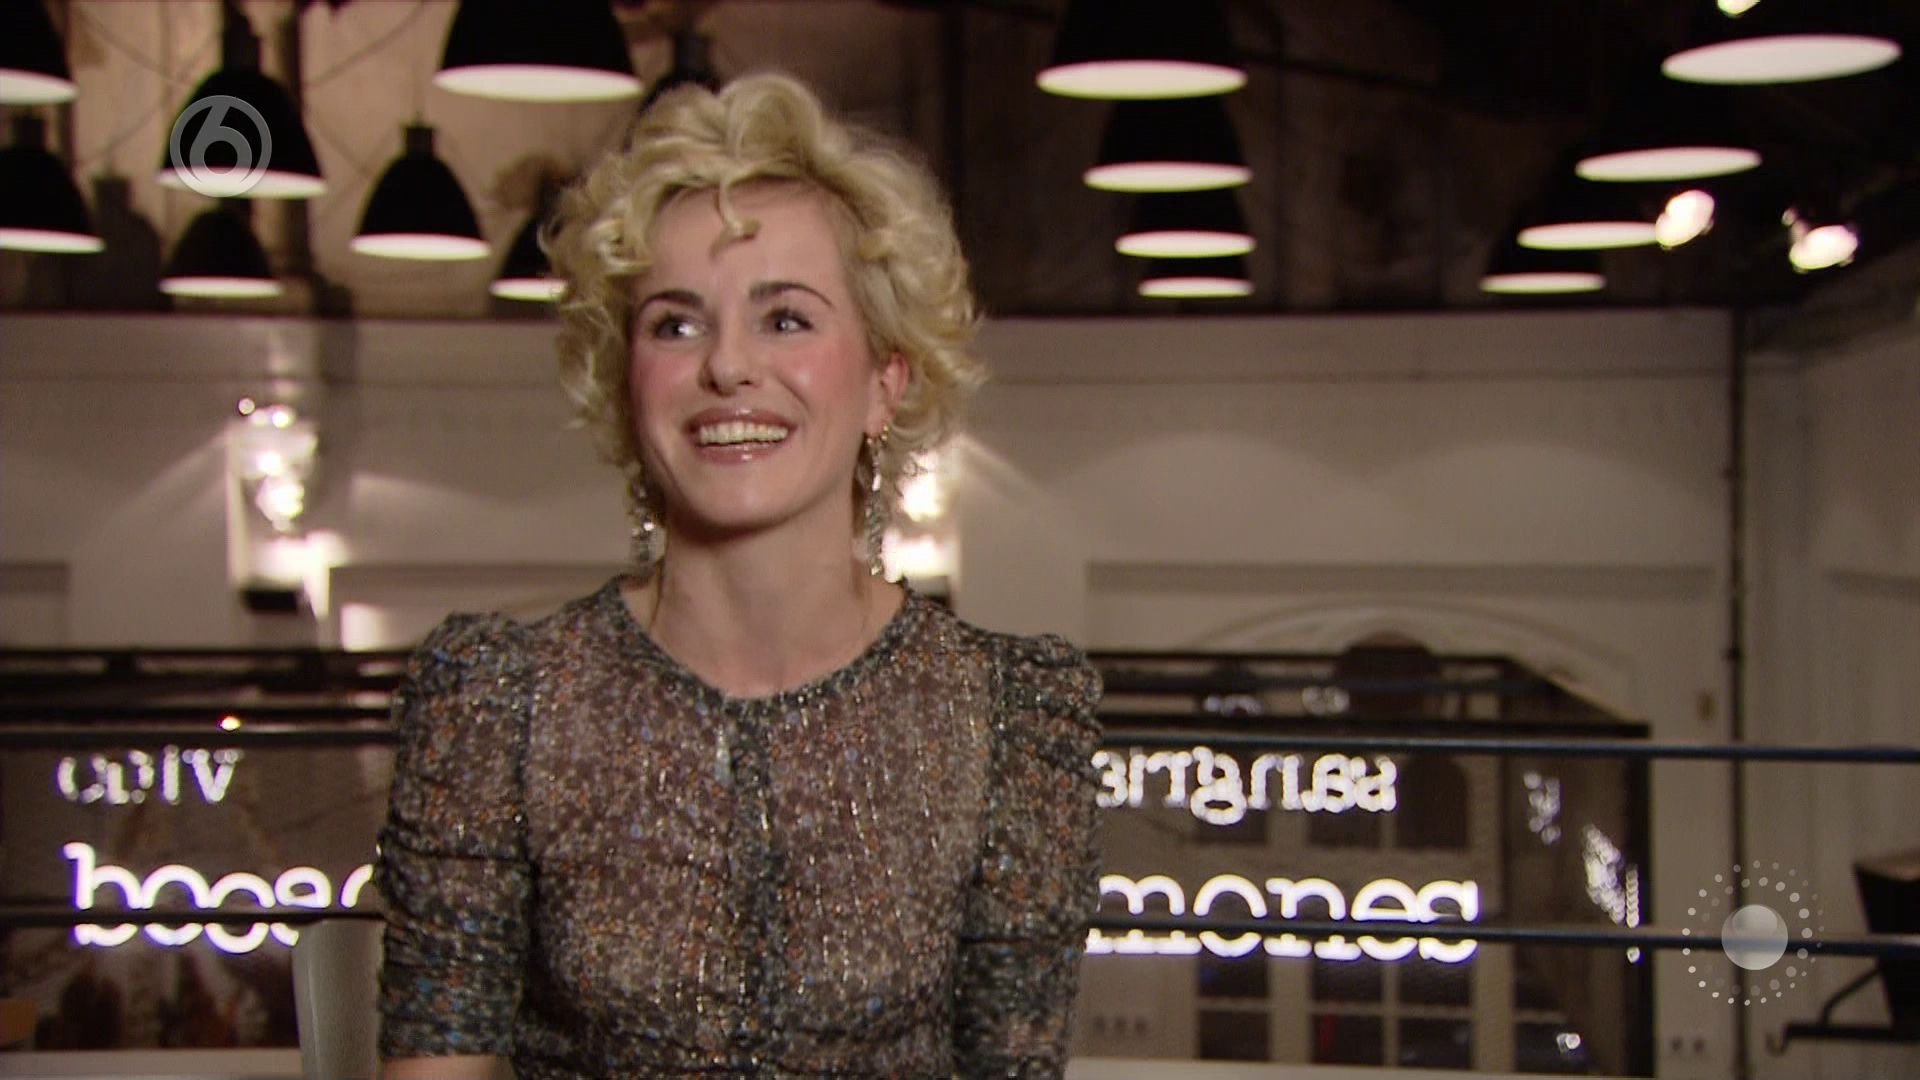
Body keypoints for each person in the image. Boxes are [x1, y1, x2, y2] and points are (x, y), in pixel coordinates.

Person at [374, 72, 1104, 1079]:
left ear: (884, 382)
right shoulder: (498, 704)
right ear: (627, 385)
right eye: (675, 324)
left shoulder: (1010, 718)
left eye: (787, 319)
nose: (727, 367)